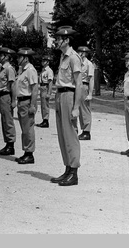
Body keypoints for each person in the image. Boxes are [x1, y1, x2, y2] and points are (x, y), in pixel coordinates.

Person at [50, 26, 82, 186]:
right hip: (60, 95)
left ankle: (74, 172)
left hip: (69, 95)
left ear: (67, 40)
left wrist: (76, 107)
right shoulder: (63, 57)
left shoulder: (74, 57)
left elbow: (79, 84)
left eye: (59, 39)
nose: (56, 41)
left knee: (70, 134)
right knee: (62, 135)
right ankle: (67, 169)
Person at [13, 48, 39, 164]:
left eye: (20, 57)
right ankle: (26, 152)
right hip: (21, 102)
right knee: (24, 129)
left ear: (26, 58)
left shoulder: (30, 70)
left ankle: (29, 153)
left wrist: (33, 105)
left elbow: (34, 89)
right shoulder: (22, 70)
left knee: (28, 129)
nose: (18, 59)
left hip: (27, 101)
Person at [0, 47, 18, 156]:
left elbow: (13, 85)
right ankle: (7, 143)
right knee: (4, 120)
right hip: (1, 96)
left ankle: (11, 145)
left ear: (7, 57)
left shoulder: (9, 69)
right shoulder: (2, 68)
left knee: (8, 121)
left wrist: (14, 100)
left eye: (2, 55)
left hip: (7, 96)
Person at [76, 46, 95, 140]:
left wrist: (90, 93)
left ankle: (87, 131)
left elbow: (91, 79)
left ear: (84, 54)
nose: (78, 54)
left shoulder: (89, 64)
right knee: (77, 108)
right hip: (77, 86)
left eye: (80, 52)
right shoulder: (77, 63)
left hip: (84, 86)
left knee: (85, 109)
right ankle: (80, 129)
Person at [37, 56, 54, 128]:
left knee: (45, 105)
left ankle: (46, 120)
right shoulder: (43, 70)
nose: (42, 62)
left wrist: (49, 93)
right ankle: (44, 119)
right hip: (42, 87)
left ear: (48, 62)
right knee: (43, 105)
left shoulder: (49, 71)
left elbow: (50, 82)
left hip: (45, 87)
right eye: (42, 61)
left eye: (44, 61)